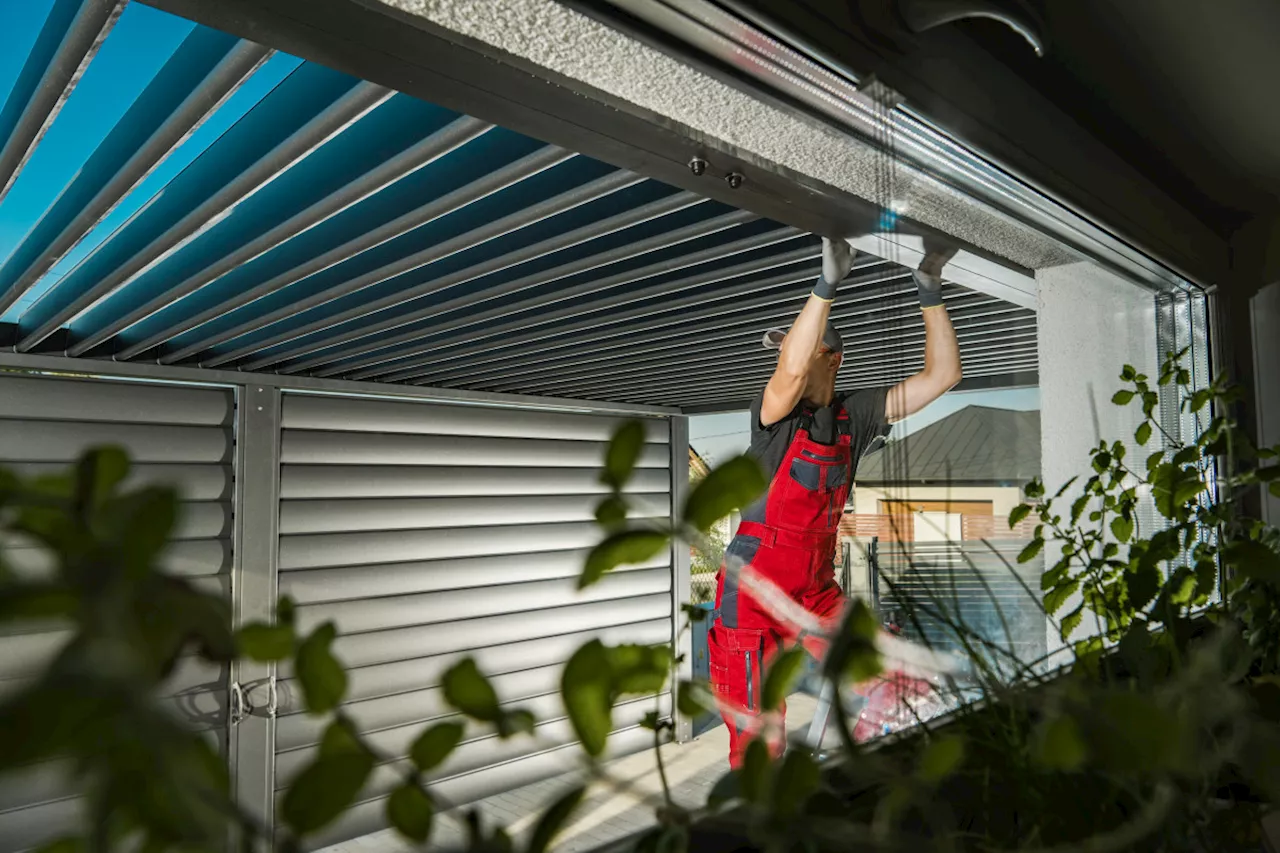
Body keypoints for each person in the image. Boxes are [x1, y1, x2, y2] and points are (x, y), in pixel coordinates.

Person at [707, 234, 963, 768]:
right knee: (759, 746)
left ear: (834, 358)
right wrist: (826, 284)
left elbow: (943, 377)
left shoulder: (857, 415)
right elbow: (793, 372)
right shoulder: (775, 415)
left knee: (904, 678)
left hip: (815, 591)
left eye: (794, 344)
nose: (784, 356)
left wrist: (930, 291)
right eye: (784, 348)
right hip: (750, 598)